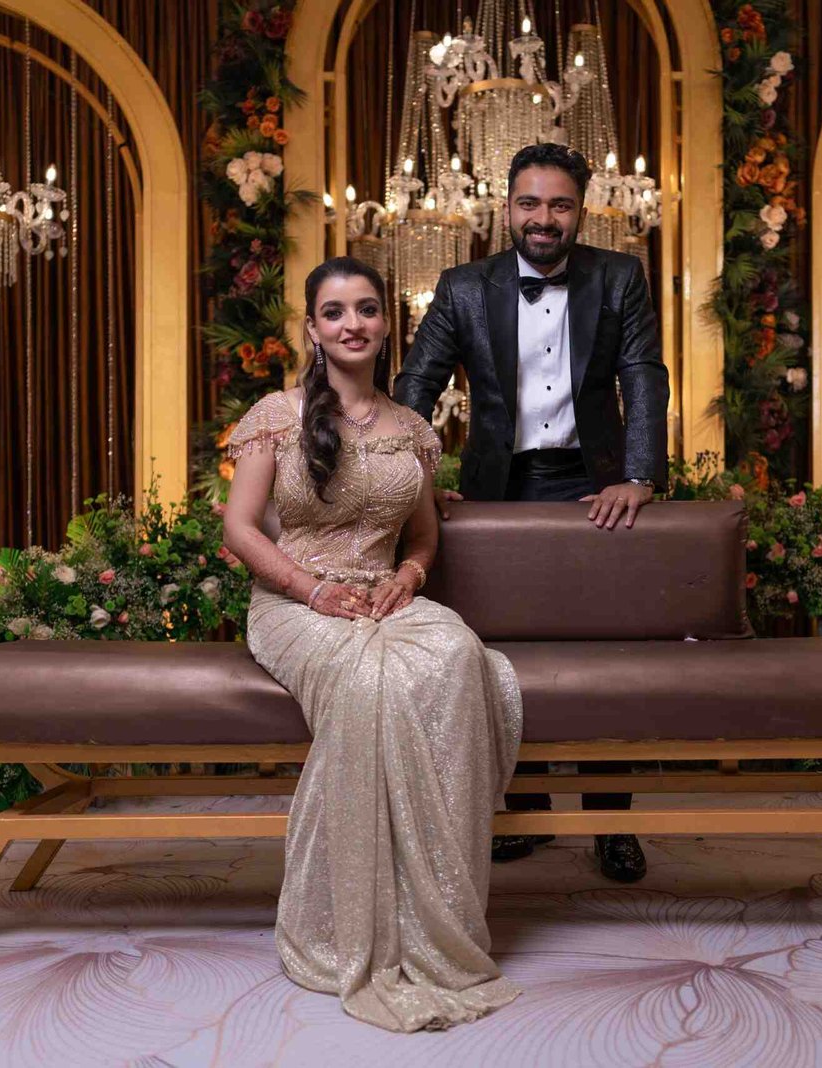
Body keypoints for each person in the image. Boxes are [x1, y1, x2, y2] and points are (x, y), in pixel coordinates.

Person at [221, 256, 523, 1032]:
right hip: (296, 604)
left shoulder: (414, 431)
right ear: (313, 329)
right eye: (334, 312)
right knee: (370, 684)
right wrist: (311, 589)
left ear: (388, 325)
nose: (351, 323)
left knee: (461, 657)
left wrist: (411, 576)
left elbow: (422, 537)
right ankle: (355, 919)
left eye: (365, 308)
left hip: (384, 600)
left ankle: (436, 908)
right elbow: (239, 530)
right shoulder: (277, 416)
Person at [394, 142, 670, 884]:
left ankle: (610, 822)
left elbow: (643, 374)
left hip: (595, 488)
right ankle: (528, 811)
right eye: (529, 203)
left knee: (604, 660)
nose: (543, 218)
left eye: (559, 204)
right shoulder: (462, 287)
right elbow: (415, 386)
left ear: (580, 210)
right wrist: (411, 482)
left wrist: (640, 474)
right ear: (506, 207)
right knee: (499, 656)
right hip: (496, 490)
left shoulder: (619, 277)